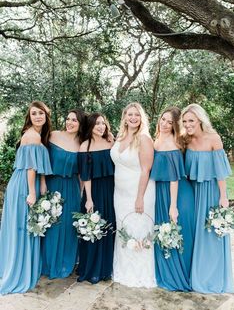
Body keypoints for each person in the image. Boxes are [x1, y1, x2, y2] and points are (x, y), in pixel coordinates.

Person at [0, 101, 52, 295]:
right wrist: (32, 191)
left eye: (41, 113)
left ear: (46, 116)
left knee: (23, 227)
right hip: (24, 185)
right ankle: (18, 271)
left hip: (26, 183)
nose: (37, 116)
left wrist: (43, 182)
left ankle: (17, 265)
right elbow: (31, 167)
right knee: (24, 227)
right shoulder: (32, 135)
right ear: (29, 117)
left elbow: (38, 165)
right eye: (33, 114)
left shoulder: (39, 135)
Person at [182, 103, 234, 294]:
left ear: (200, 120)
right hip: (191, 193)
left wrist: (223, 197)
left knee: (211, 235)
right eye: (185, 121)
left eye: (191, 120)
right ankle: (195, 274)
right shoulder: (185, 140)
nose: (187, 124)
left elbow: (220, 172)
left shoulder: (214, 138)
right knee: (195, 233)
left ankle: (212, 277)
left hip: (211, 192)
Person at [111, 102, 156, 288]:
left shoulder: (144, 138)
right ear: (124, 117)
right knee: (123, 229)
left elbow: (146, 170)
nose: (133, 118)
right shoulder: (120, 137)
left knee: (138, 229)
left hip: (139, 192)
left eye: (137, 115)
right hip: (120, 194)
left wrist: (139, 197)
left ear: (141, 118)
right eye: (130, 114)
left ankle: (140, 273)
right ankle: (123, 269)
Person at [150, 106, 194, 291]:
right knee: (164, 232)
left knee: (176, 231)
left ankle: (180, 275)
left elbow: (174, 178)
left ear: (175, 125)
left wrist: (173, 206)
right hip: (160, 192)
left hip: (176, 195)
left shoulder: (174, 144)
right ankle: (167, 271)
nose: (165, 124)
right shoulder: (156, 140)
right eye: (163, 119)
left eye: (170, 122)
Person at [41, 109, 86, 279]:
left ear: (80, 123)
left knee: (68, 227)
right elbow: (41, 159)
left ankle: (65, 263)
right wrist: (43, 182)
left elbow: (82, 174)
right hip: (52, 185)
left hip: (72, 188)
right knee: (51, 225)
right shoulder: (53, 135)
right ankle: (47, 264)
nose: (70, 122)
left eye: (74, 120)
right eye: (68, 119)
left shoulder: (83, 144)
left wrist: (81, 193)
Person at [76, 113, 115, 284]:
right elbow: (86, 176)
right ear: (90, 126)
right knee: (94, 229)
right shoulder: (85, 146)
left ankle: (107, 268)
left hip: (113, 189)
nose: (101, 126)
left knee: (109, 227)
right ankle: (92, 269)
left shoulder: (111, 143)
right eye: (97, 124)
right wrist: (89, 199)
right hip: (95, 192)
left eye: (103, 123)